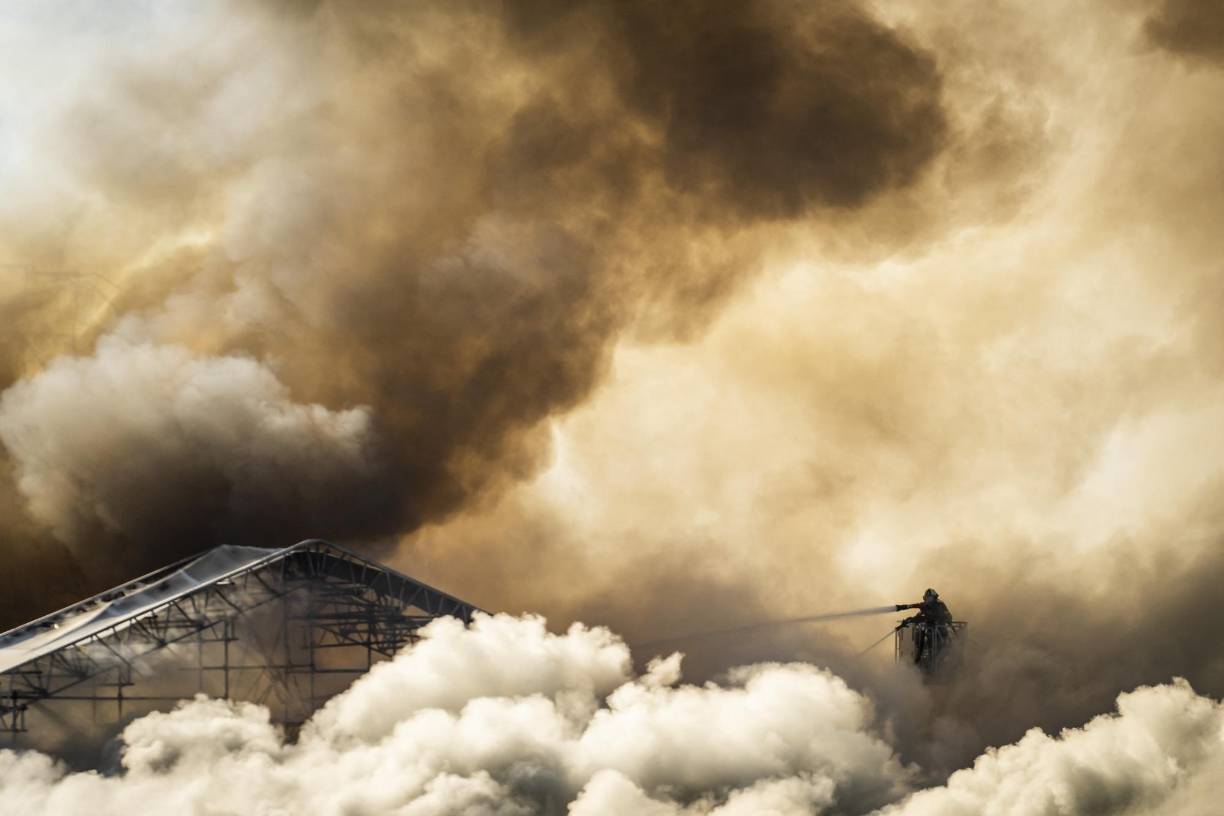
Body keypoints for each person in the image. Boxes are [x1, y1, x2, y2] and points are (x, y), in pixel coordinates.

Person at [895, 588, 953, 665]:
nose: (929, 600)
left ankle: (934, 665)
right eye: (927, 598)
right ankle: (920, 662)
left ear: (934, 597)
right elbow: (917, 614)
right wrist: (908, 620)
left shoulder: (940, 605)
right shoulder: (924, 606)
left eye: (930, 598)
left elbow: (945, 617)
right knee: (920, 638)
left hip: (940, 634)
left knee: (938, 653)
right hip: (930, 633)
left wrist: (921, 619)